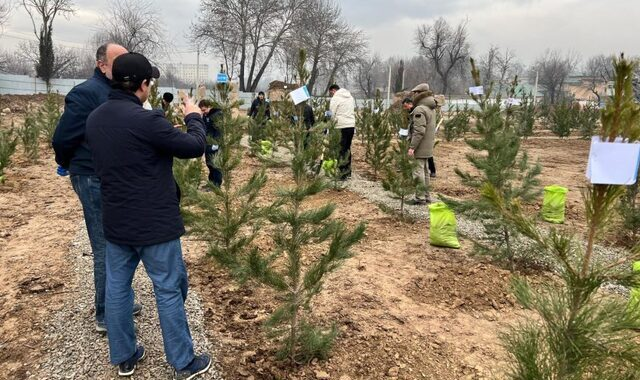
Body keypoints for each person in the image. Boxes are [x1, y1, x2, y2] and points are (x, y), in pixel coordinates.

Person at [85, 52, 211, 379]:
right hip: (155, 224)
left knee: (117, 289)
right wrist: (195, 117)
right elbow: (193, 147)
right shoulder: (147, 120)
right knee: (169, 289)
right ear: (143, 85)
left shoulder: (95, 118)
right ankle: (183, 362)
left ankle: (124, 355)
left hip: (116, 222)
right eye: (149, 82)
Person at [52, 42, 142, 334]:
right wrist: (68, 163)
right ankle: (106, 312)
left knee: (121, 241)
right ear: (102, 64)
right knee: (105, 244)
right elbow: (64, 137)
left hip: (113, 176)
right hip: (92, 176)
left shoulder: (117, 93)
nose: (123, 65)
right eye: (118, 60)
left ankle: (120, 300)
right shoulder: (87, 93)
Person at [407, 83, 437, 205]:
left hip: (420, 146)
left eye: (415, 93)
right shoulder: (431, 107)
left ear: (419, 93)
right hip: (428, 146)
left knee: (417, 171)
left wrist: (412, 147)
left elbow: (419, 131)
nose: (413, 95)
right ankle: (426, 196)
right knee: (425, 172)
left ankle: (419, 198)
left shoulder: (420, 109)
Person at [402, 97, 436, 178]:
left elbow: (419, 130)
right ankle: (425, 188)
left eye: (406, 106)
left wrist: (412, 146)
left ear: (410, 104)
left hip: (421, 139)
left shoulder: (418, 110)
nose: (405, 108)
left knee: (420, 165)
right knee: (425, 165)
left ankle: (433, 171)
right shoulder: (412, 112)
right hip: (421, 138)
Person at [328, 84, 356, 180]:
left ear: (333, 90)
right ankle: (348, 171)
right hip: (351, 125)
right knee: (347, 148)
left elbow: (332, 113)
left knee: (341, 149)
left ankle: (342, 173)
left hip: (341, 125)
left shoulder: (335, 98)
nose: (331, 95)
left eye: (331, 93)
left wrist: (329, 124)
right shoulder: (350, 97)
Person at [199, 99, 223, 187]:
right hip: (208, 143)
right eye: (201, 110)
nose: (203, 112)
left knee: (215, 165)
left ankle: (217, 184)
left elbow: (219, 130)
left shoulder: (217, 115)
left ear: (210, 107)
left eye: (204, 110)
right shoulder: (206, 116)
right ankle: (211, 182)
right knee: (209, 164)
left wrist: (216, 143)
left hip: (215, 143)